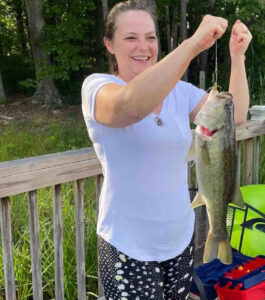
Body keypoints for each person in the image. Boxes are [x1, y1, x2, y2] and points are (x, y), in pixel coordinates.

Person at [81, 1, 252, 299]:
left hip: (179, 238)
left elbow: (233, 117)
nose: (143, 47)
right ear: (109, 44)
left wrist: (237, 58)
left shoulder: (180, 92)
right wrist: (192, 45)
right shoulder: (98, 87)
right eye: (130, 38)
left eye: (150, 37)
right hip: (128, 245)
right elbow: (130, 107)